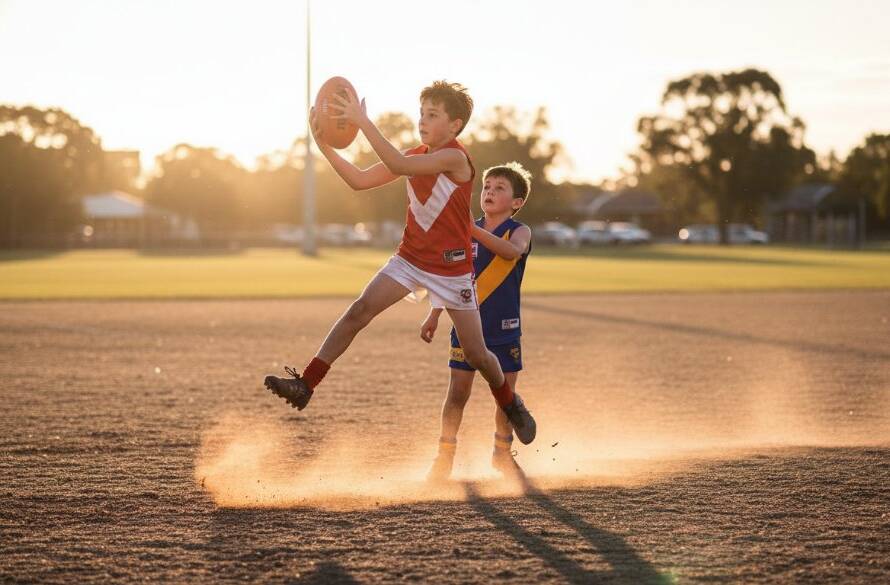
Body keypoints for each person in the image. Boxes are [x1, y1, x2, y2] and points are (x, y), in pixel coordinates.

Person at [263, 81, 536, 444]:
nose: (422, 120)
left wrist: (361, 122)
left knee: (478, 354)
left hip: (452, 270)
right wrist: (324, 145)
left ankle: (509, 401)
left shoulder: (456, 158)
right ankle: (306, 384)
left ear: (454, 125)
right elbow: (359, 181)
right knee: (359, 310)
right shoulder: (414, 153)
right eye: (421, 113)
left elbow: (400, 164)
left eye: (432, 115)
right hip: (410, 259)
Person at [421, 162, 533, 481]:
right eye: (486, 187)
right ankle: (445, 455)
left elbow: (511, 252)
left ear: (516, 202)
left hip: (505, 327)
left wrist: (473, 231)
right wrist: (434, 313)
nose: (489, 192)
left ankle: (501, 453)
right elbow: (450, 276)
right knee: (457, 392)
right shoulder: (464, 230)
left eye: (500, 188)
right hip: (467, 327)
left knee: (505, 395)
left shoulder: (519, 230)